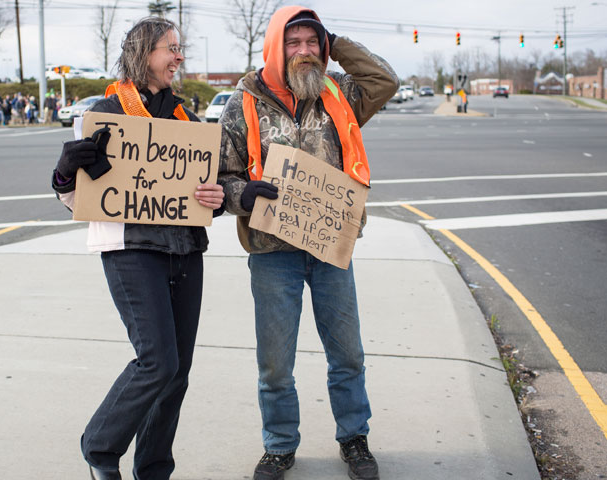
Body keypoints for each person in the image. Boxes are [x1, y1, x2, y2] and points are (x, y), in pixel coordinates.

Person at [217, 6, 398, 480]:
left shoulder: (338, 93)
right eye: (293, 43)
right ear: (276, 46)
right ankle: (279, 446)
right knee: (275, 364)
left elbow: (385, 80)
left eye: (311, 43)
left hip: (330, 247)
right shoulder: (244, 102)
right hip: (271, 254)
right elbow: (222, 178)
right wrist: (243, 195)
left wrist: (337, 44)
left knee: (348, 355)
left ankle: (354, 439)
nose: (303, 52)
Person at [51, 16, 224, 480]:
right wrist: (66, 170)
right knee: (157, 360)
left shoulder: (186, 120)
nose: (179, 57)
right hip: (131, 249)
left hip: (185, 250)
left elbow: (209, 191)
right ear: (146, 52)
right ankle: (100, 448)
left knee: (177, 373)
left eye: (179, 47)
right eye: (172, 48)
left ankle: (153, 470)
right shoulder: (106, 113)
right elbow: (75, 198)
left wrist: (217, 197)